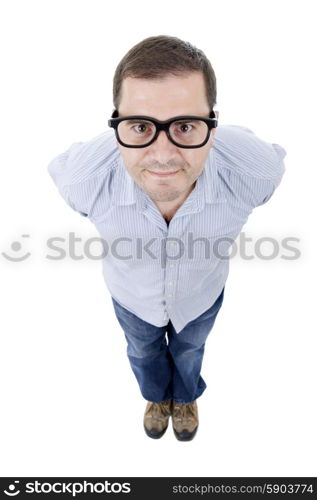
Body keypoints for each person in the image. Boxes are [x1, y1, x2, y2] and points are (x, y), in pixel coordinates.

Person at [47, 35, 286, 441]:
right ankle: (157, 396)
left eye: (185, 125)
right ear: (117, 121)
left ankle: (186, 396)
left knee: (190, 352)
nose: (163, 154)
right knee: (143, 353)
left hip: (201, 299)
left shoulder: (253, 174)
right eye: (140, 126)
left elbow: (269, 157)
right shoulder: (84, 181)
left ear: (212, 122)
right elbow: (67, 166)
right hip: (132, 299)